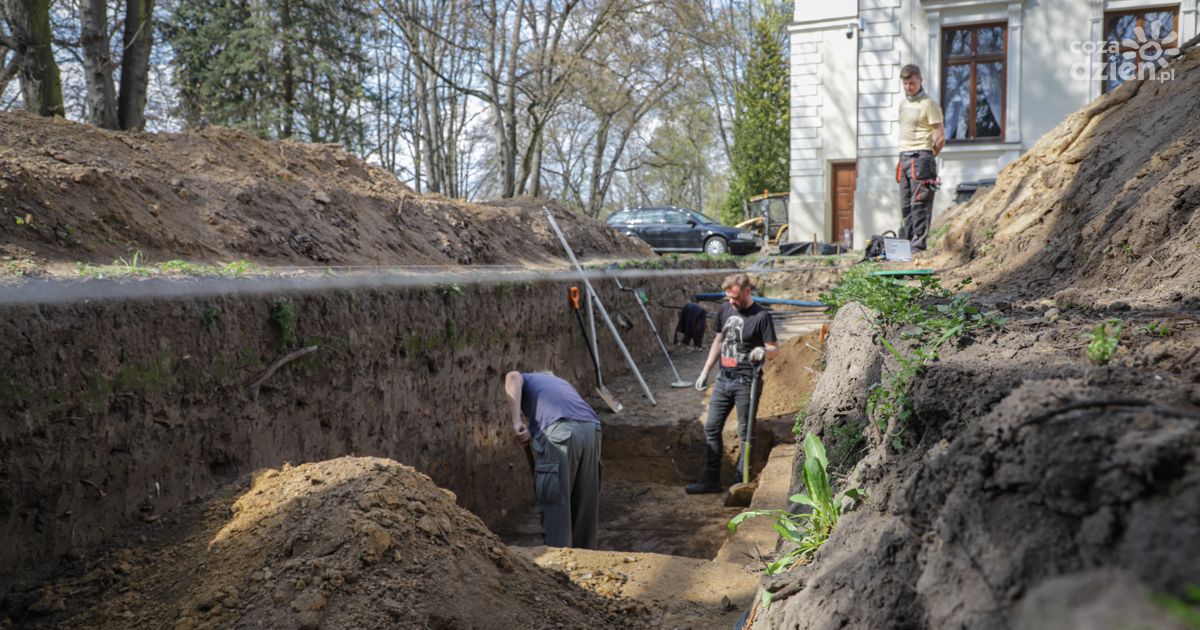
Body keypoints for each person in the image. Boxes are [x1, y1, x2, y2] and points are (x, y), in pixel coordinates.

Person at [686, 274, 778, 494]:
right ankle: (711, 479)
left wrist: (763, 350)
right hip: (723, 379)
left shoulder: (761, 316)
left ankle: (741, 483)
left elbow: (775, 348)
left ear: (747, 291)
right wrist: (706, 371)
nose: (732, 302)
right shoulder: (726, 309)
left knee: (746, 432)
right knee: (711, 427)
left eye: (735, 298)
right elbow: (719, 340)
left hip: (748, 382)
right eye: (728, 298)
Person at [504, 370, 601, 548]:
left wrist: (516, 421)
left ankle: (559, 564)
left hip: (562, 433)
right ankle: (586, 561)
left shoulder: (528, 378)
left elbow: (512, 376)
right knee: (584, 503)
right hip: (591, 431)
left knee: (555, 502)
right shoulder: (560, 384)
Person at [897, 64, 945, 253]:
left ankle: (918, 246)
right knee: (906, 204)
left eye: (912, 83)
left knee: (920, 204)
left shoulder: (929, 104)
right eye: (906, 83)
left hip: (921, 157)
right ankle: (906, 246)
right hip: (904, 157)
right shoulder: (903, 104)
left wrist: (928, 157)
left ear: (920, 81)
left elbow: (940, 138)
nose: (909, 87)